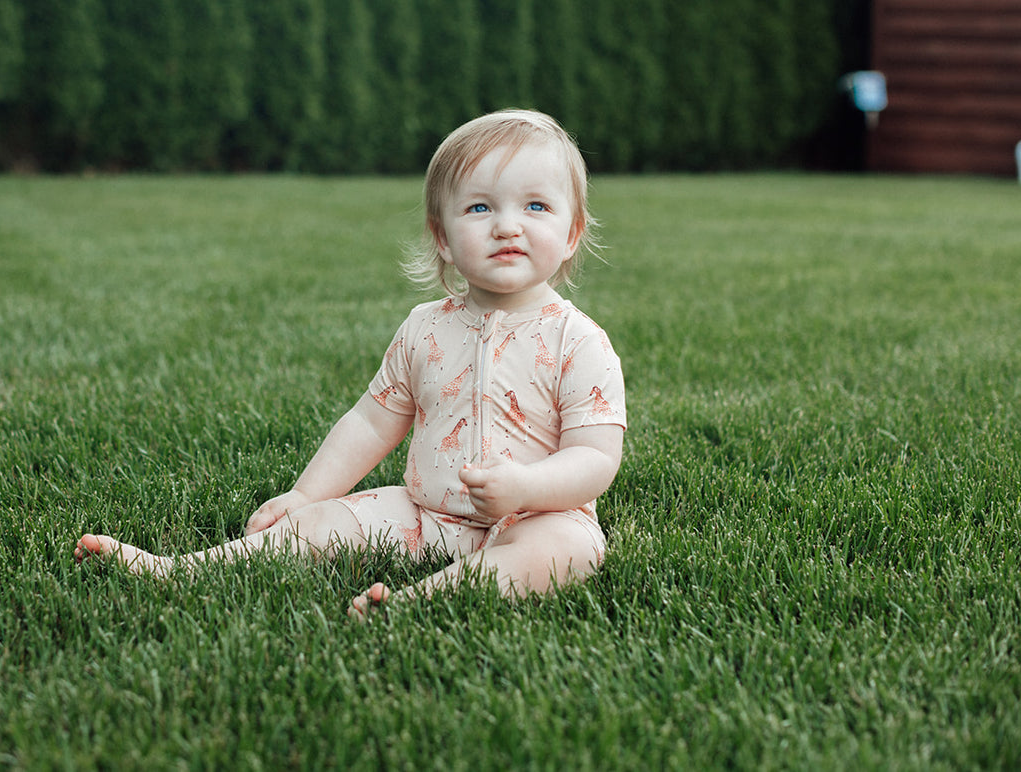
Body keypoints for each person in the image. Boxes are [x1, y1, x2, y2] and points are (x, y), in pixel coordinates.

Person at [75, 110, 626, 617]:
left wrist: (526, 488)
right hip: (425, 517)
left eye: (536, 206)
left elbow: (594, 458)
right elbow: (371, 421)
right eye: (479, 207)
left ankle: (420, 603)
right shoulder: (425, 328)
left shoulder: (578, 341)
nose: (508, 225)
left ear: (572, 231)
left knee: (567, 551)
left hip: (539, 518)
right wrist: (307, 494)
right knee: (327, 521)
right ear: (443, 237)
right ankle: (183, 571)